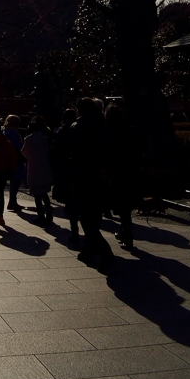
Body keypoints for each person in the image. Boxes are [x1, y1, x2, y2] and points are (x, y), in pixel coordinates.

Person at [70, 97, 115, 272]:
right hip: (99, 177)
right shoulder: (103, 125)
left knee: (87, 220)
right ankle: (87, 250)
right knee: (94, 216)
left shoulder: (78, 127)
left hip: (83, 176)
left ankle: (106, 254)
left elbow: (75, 153)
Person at [104, 102, 136, 251]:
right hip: (129, 171)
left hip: (116, 172)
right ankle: (124, 233)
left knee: (122, 207)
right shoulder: (129, 130)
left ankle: (127, 236)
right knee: (126, 207)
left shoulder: (108, 132)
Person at [21, 116, 54, 223]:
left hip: (34, 165)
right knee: (44, 193)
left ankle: (41, 215)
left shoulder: (29, 139)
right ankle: (49, 214)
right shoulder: (45, 138)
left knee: (37, 194)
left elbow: (24, 152)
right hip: (45, 166)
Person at [51, 108, 78, 238]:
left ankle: (74, 230)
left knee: (70, 198)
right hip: (78, 168)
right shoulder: (81, 129)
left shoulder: (62, 132)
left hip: (65, 168)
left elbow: (56, 152)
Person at [3, 114, 25, 211]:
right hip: (15, 158)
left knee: (12, 181)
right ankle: (12, 201)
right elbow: (17, 146)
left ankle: (12, 201)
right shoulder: (14, 133)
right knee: (16, 181)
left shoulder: (4, 132)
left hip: (6, 159)